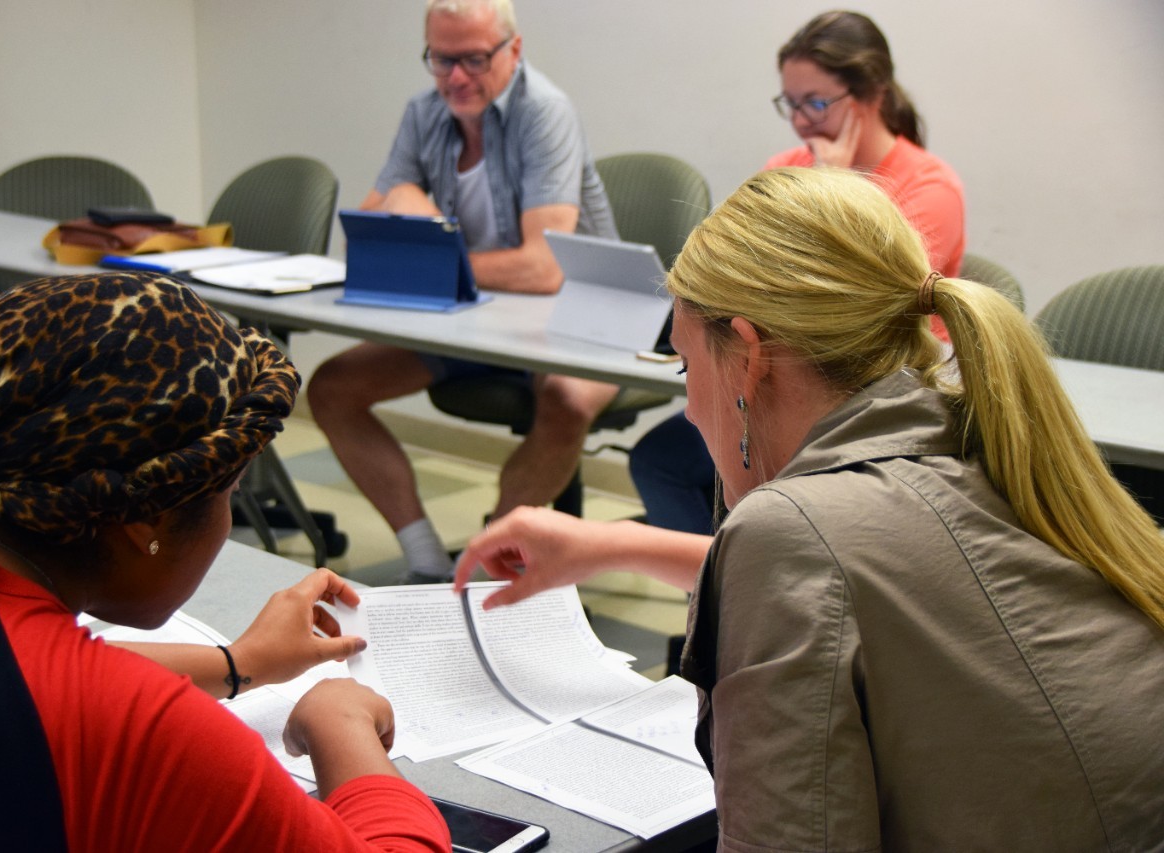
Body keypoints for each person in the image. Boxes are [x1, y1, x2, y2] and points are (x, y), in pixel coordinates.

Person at [456, 167, 1164, 849]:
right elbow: (863, 577)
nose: (689, 401)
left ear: (750, 355)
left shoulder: (793, 531)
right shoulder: (986, 440)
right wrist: (609, 543)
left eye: (685, 366)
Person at [0, 272, 448, 851]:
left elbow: (12, 666)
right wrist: (343, 727)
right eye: (230, 493)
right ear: (144, 525)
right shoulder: (138, 728)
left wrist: (239, 663)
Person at [306, 0, 619, 583]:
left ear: (514, 51)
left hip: (580, 315)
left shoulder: (543, 111)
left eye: (473, 60)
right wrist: (404, 205)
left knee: (567, 403)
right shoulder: (424, 112)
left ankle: (484, 566)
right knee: (332, 388)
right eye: (440, 59)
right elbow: (369, 235)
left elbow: (543, 270)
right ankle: (426, 559)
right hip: (473, 318)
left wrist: (431, 249)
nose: (455, 77)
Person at [631, 9, 965, 534]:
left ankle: (735, 580)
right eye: (790, 103)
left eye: (816, 102)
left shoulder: (929, 185)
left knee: (693, 473)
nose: (802, 121)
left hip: (865, 384)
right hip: (779, 376)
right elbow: (738, 273)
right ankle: (719, 596)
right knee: (660, 460)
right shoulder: (786, 164)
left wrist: (831, 183)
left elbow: (852, 299)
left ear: (872, 95)